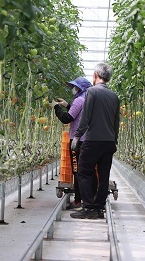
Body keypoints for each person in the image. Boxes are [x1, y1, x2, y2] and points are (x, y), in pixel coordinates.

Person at [70, 63, 120, 219]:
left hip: (93, 140)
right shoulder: (114, 96)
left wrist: (77, 136)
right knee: (104, 176)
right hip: (109, 142)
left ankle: (89, 207)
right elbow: (116, 121)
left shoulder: (91, 92)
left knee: (84, 172)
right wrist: (115, 140)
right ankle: (99, 208)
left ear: (95, 75)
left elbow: (86, 117)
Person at [51, 77, 97, 210]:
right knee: (90, 170)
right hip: (89, 140)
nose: (73, 89)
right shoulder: (89, 100)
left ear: (80, 88)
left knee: (78, 171)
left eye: (75, 87)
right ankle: (92, 199)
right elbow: (80, 115)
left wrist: (56, 108)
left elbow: (67, 119)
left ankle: (78, 200)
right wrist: (67, 105)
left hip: (77, 141)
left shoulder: (79, 100)